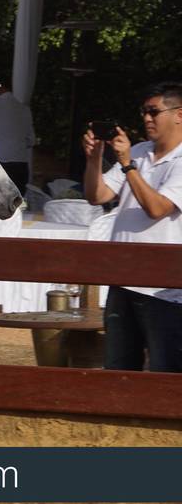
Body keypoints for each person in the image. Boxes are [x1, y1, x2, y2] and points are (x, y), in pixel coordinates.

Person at [83, 82, 182, 372]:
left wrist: (128, 165)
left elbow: (157, 209)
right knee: (118, 369)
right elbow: (97, 196)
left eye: (154, 112)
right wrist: (94, 158)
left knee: (166, 371)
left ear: (179, 114)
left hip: (163, 289)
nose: (146, 118)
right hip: (122, 280)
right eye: (144, 112)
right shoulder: (139, 151)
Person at [0, 85, 35, 195]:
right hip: (21, 165)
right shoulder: (24, 108)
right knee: (18, 204)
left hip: (0, 164)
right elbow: (31, 140)